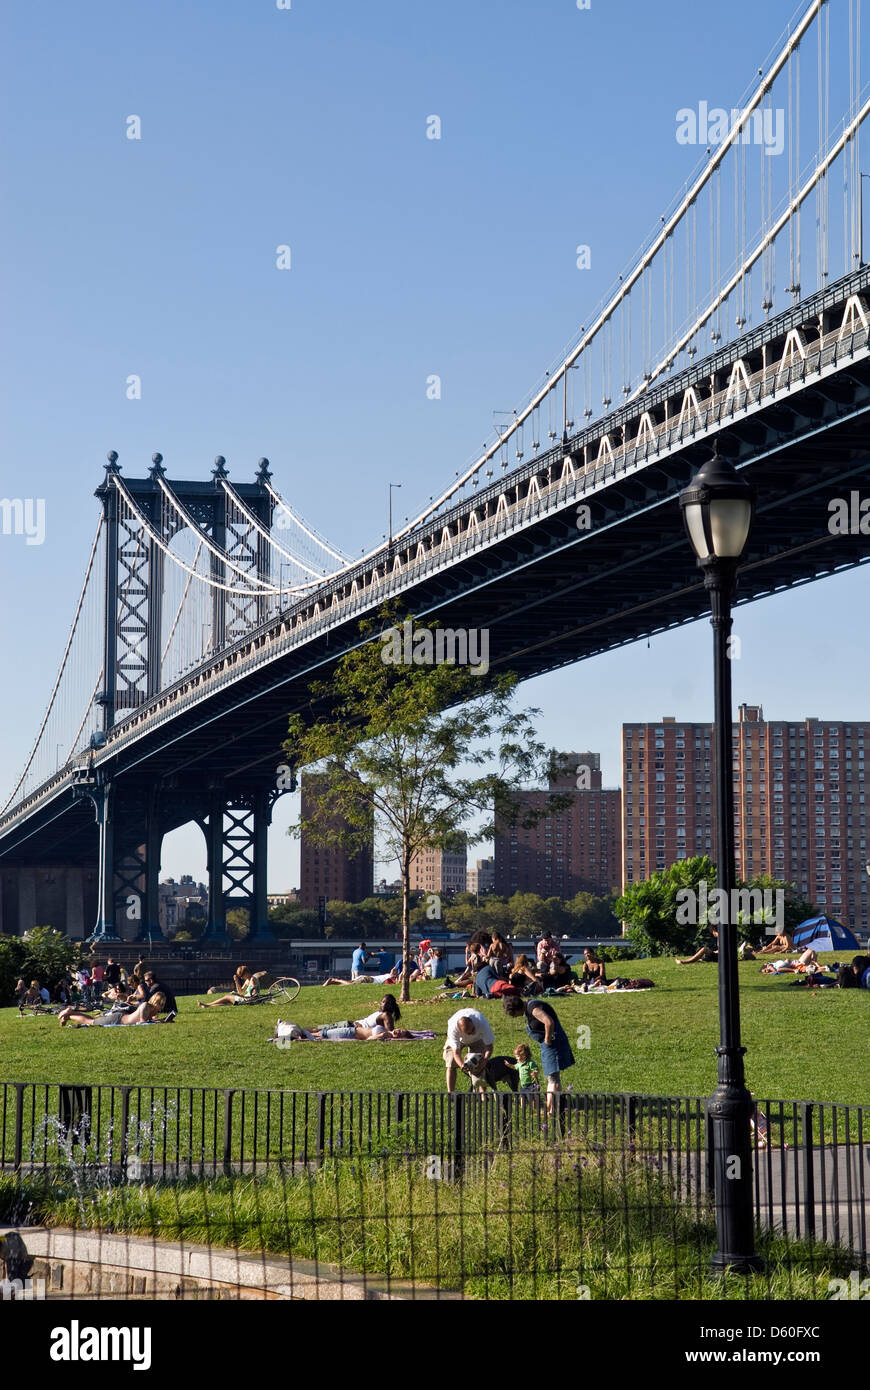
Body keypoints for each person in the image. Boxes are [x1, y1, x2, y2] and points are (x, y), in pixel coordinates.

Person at [502, 994, 575, 1116]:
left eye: (513, 1014)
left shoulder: (533, 1009)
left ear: (516, 1008)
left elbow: (549, 1022)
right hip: (548, 1046)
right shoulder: (529, 1009)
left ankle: (551, 1111)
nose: (514, 1017)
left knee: (553, 1078)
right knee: (551, 1078)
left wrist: (547, 1040)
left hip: (553, 1043)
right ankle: (553, 1108)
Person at [443, 1007, 495, 1093]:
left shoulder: (482, 1022)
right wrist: (462, 1065)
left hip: (478, 1039)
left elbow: (489, 1046)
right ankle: (451, 1093)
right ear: (460, 1030)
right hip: (459, 1040)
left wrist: (484, 1061)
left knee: (480, 1065)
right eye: (469, 1032)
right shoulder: (453, 1029)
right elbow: (456, 1053)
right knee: (450, 1064)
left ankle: (482, 1095)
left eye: (473, 1029)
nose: (472, 1033)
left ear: (472, 1022)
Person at [60, 993, 165, 1028]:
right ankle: (69, 1015)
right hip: (117, 1019)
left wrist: (163, 1021)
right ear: (157, 1003)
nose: (161, 1008)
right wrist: (157, 1022)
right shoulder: (146, 1006)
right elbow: (142, 1023)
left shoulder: (150, 1009)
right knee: (91, 1022)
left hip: (120, 1018)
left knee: (92, 1020)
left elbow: (149, 1021)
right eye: (161, 1005)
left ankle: (70, 1014)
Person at [197, 965, 264, 1007]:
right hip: (246, 999)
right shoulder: (248, 980)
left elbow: (255, 994)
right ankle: (207, 1005)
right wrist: (236, 981)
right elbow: (241, 991)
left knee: (227, 997)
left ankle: (207, 1004)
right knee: (227, 1002)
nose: (241, 978)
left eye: (241, 976)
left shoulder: (252, 980)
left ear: (246, 973)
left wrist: (242, 996)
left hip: (249, 1000)